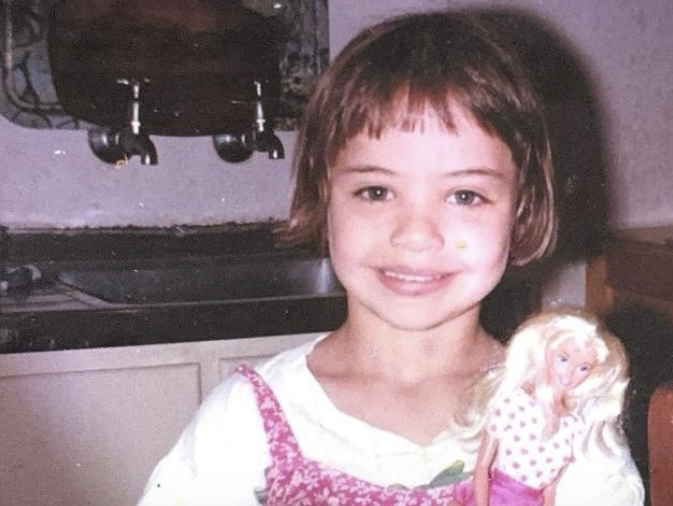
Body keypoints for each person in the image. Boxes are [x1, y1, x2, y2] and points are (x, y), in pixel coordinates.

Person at [137, 10, 557, 506]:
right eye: (377, 191)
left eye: (464, 195)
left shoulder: (562, 416)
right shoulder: (246, 418)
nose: (415, 235)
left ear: (522, 209)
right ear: (323, 197)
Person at [451, 310, 644, 506]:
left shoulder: (573, 425)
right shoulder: (514, 404)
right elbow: (482, 467)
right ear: (547, 353)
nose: (569, 374)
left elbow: (550, 490)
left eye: (583, 368)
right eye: (563, 359)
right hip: (496, 498)